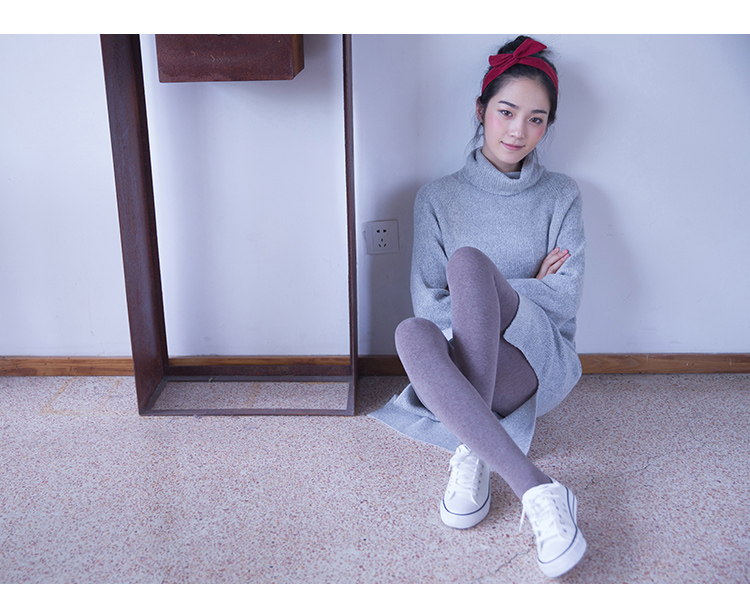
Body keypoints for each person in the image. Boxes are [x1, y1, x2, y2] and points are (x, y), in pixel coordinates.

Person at [384, 36, 587, 578]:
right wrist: (526, 283)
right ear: (481, 110)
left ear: (547, 126)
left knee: (469, 265)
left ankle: (469, 440)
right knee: (410, 333)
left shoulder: (561, 195)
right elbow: (429, 304)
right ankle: (536, 487)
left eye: (537, 119)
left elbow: (565, 297)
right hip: (466, 363)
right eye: (506, 112)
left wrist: (494, 290)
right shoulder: (436, 198)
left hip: (534, 363)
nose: (518, 130)